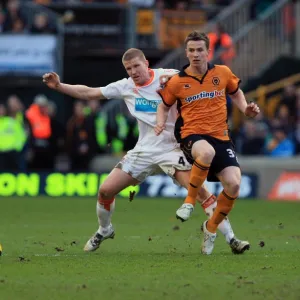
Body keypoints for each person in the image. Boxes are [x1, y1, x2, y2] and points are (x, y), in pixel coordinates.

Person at [42, 48, 249, 254]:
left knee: (201, 193)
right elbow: (89, 92)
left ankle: (232, 239)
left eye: (136, 66)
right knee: (105, 191)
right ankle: (105, 230)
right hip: (145, 150)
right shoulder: (125, 87)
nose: (133, 71)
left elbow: (196, 83)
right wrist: (59, 86)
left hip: (173, 148)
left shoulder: (169, 77)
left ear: (146, 63)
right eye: (128, 68)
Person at [155, 31, 260, 255]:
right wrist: (160, 123)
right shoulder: (177, 81)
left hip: (221, 136)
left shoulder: (222, 72)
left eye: (199, 50)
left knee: (233, 184)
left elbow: (236, 92)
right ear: (186, 53)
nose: (195, 54)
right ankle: (189, 202)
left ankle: (210, 228)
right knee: (206, 152)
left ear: (208, 51)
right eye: (191, 50)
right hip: (191, 135)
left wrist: (246, 109)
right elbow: (164, 105)